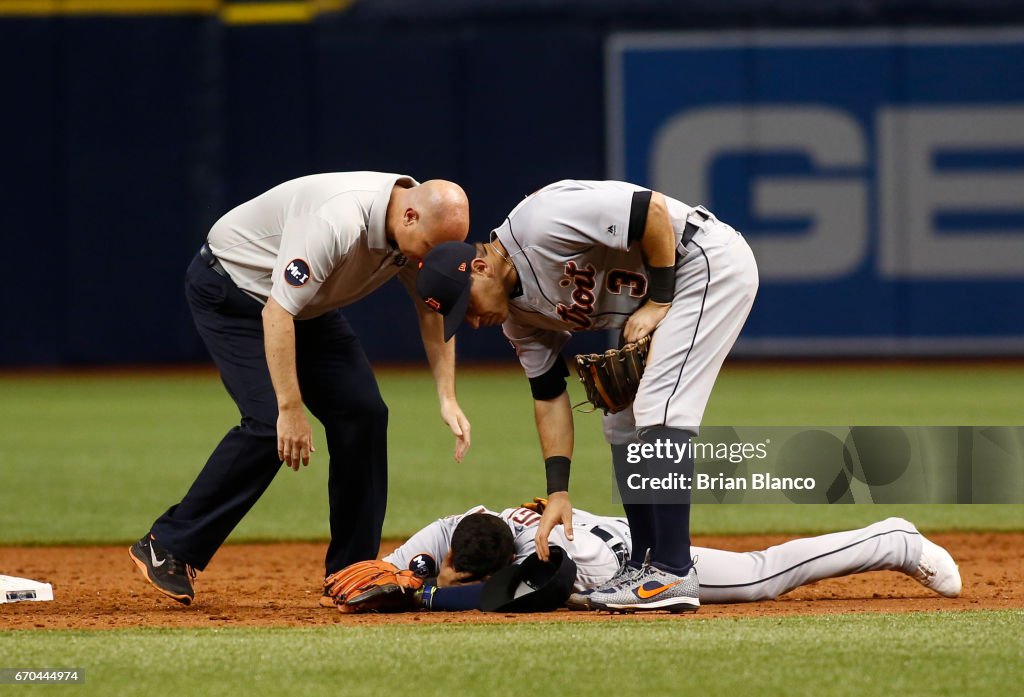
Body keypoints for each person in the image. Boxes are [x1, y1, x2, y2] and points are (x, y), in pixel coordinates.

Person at [129, 172, 473, 605]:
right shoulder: (338, 220)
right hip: (234, 290)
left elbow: (431, 309)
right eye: (430, 250)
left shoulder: (418, 232)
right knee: (265, 422)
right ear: (408, 216)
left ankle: (353, 571)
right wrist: (290, 408)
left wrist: (447, 396)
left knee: (364, 414)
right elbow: (277, 313)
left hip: (304, 308)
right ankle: (169, 546)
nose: (432, 261)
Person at [415, 179, 758, 612]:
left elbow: (648, 211)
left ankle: (673, 571)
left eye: (468, 306)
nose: (474, 321)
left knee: (659, 406)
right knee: (619, 418)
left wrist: (658, 301)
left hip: (703, 260)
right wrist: (557, 491)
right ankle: (644, 562)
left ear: (480, 268)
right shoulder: (518, 321)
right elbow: (548, 395)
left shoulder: (539, 223)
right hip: (674, 284)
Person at [381, 503, 961, 611]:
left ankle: (893, 541)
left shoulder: (550, 567)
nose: (452, 562)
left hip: (635, 558)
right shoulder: (478, 527)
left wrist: (428, 593)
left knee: (762, 576)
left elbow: (491, 596)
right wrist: (397, 569)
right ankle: (889, 539)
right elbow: (441, 536)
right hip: (606, 530)